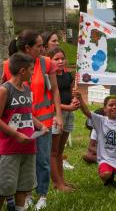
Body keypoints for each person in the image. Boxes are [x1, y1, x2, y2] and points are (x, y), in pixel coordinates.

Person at [3, 30, 63, 210]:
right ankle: (24, 195)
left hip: (41, 123)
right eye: (39, 46)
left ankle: (42, 195)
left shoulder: (47, 63)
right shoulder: (9, 65)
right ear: (27, 48)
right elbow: (5, 92)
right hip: (17, 126)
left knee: (42, 160)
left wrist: (58, 114)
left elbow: (54, 91)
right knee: (18, 162)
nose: (43, 49)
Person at [0, 53, 48, 211]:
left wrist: (40, 126)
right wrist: (16, 135)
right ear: (22, 71)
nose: (33, 73)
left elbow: (27, 114)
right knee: (4, 187)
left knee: (23, 187)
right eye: (31, 70)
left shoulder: (27, 89)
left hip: (28, 148)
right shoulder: (4, 90)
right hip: (9, 149)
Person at [75, 83, 116, 189]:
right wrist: (80, 98)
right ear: (104, 109)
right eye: (111, 105)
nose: (114, 107)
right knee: (105, 174)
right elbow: (86, 112)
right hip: (106, 160)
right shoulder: (100, 121)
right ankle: (110, 176)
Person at [47, 48, 80, 191]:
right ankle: (57, 183)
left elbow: (72, 92)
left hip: (68, 115)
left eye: (62, 58)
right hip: (56, 115)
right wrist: (67, 107)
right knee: (53, 152)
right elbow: (50, 101)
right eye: (56, 59)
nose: (60, 61)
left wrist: (75, 100)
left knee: (60, 151)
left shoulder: (68, 75)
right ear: (50, 60)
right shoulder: (49, 76)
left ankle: (61, 181)